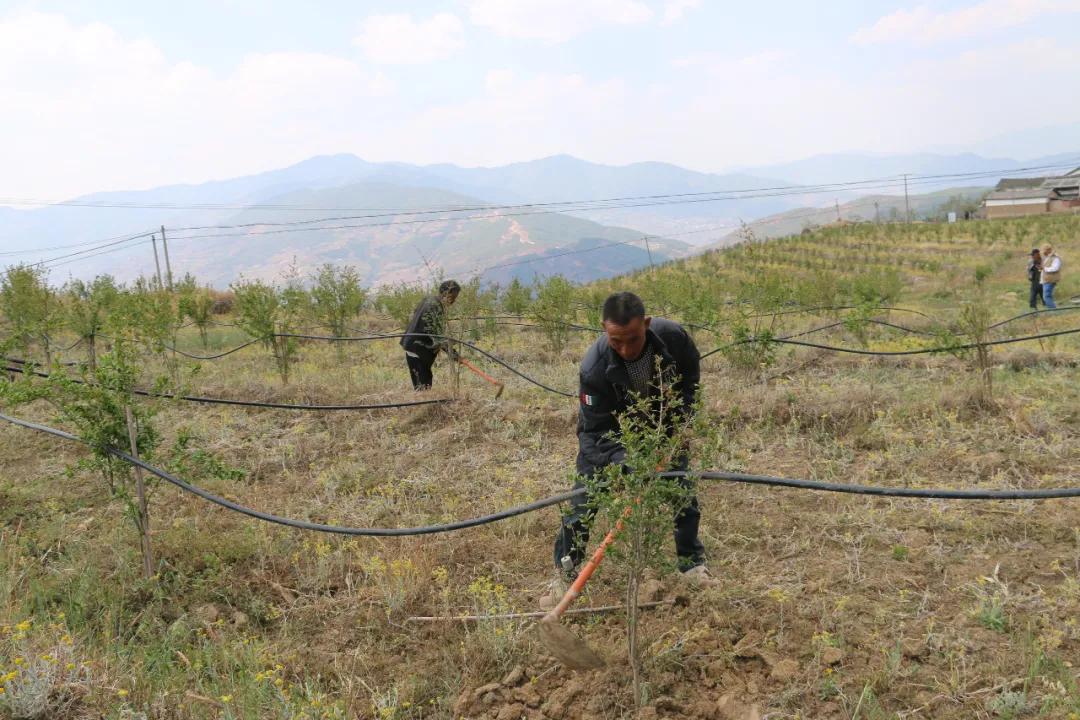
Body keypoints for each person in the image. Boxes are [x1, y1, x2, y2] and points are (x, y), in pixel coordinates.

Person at [551, 291, 716, 592]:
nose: (626, 349)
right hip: (608, 433)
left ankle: (692, 565)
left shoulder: (674, 338)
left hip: (662, 426)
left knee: (680, 491)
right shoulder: (593, 368)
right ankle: (566, 572)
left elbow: (690, 382)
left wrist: (681, 425)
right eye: (617, 341)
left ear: (647, 324)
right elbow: (597, 430)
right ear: (604, 328)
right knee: (582, 503)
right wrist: (625, 462)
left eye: (633, 338)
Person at [400, 280, 460, 390]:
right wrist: (453, 353)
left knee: (423, 384)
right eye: (453, 297)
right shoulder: (436, 307)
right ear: (446, 293)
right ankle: (421, 406)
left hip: (412, 346)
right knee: (423, 387)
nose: (453, 301)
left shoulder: (428, 300)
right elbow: (438, 337)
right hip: (417, 350)